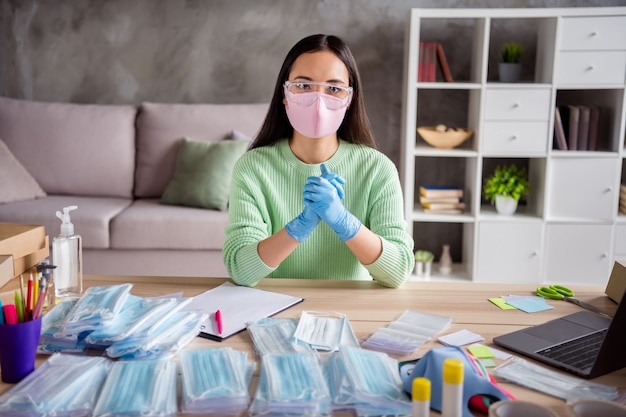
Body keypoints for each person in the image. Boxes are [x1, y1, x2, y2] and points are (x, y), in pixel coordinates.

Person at [223, 34, 414, 288]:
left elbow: (398, 271)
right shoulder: (252, 168)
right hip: (274, 309)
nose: (318, 100)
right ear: (284, 93)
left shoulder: (377, 169)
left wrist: (343, 221)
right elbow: (241, 271)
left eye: (333, 88)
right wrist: (298, 227)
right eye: (303, 86)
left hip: (350, 311)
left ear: (349, 100)